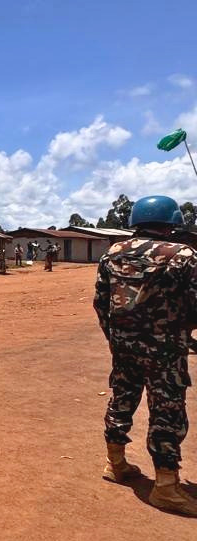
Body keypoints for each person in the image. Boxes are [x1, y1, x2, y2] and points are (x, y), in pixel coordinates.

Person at [94, 195, 197, 516]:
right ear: (172, 223)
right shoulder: (184, 256)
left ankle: (116, 463)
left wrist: (115, 338)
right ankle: (165, 486)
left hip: (124, 347)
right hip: (165, 350)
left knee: (122, 399)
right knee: (167, 409)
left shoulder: (112, 253)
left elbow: (101, 303)